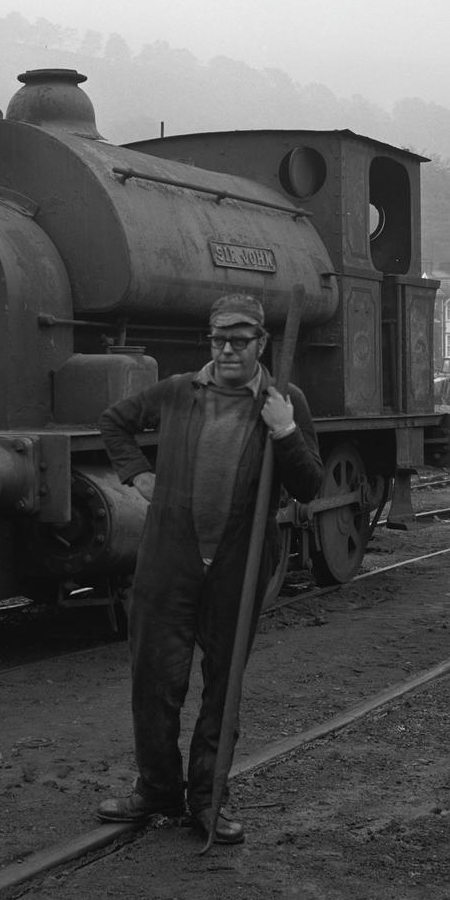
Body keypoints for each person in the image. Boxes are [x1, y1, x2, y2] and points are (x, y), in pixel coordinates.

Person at [95, 292, 323, 844]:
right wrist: (137, 475)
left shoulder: (282, 399)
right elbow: (115, 422)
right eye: (218, 339)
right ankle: (156, 789)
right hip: (167, 562)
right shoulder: (177, 393)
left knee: (223, 687)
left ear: (261, 344)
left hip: (238, 565)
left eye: (239, 341)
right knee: (155, 682)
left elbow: (310, 485)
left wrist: (286, 432)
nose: (226, 350)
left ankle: (207, 798)